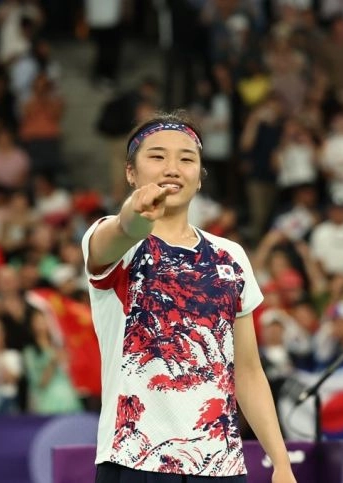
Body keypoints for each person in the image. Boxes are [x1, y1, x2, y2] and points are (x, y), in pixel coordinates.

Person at [82, 111, 296, 482]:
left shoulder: (231, 256)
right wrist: (135, 214)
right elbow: (122, 230)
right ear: (131, 172)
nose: (172, 168)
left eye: (186, 158)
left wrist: (281, 462)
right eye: (157, 156)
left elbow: (246, 370)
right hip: (134, 459)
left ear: (199, 178)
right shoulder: (117, 242)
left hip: (221, 465)